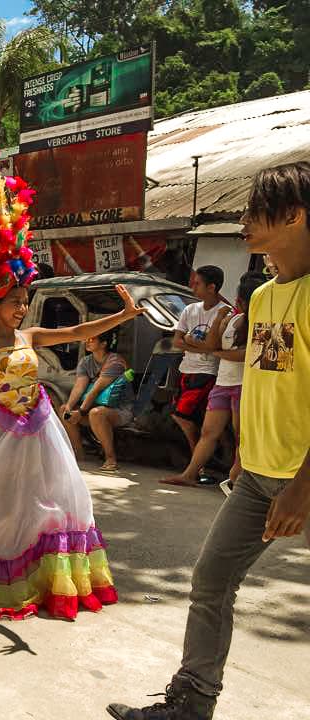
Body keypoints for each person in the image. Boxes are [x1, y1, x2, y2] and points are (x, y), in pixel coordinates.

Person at [106, 165, 310, 719]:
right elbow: (264, 383)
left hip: (302, 480)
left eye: (256, 210)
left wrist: (300, 487)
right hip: (260, 476)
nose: (243, 220)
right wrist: (247, 455)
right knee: (212, 580)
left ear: (295, 216)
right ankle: (191, 703)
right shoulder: (264, 298)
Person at [0, 144, 144, 621]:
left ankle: (42, 575)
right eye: (15, 300)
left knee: (51, 501)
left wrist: (122, 313)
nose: (22, 306)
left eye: (24, 298)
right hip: (0, 432)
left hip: (40, 428)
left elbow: (78, 332)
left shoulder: (28, 332)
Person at [162, 273, 265, 489]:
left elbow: (248, 353)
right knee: (209, 432)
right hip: (223, 383)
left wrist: (217, 352)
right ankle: (190, 474)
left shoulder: (261, 322)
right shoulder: (232, 318)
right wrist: (219, 320)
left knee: (240, 435)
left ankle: (237, 477)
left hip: (243, 384)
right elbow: (211, 344)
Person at [171, 266, 231, 456]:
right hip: (185, 370)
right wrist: (196, 344)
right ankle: (202, 458)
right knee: (196, 418)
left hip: (207, 372)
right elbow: (177, 341)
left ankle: (198, 457)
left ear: (212, 287)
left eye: (197, 284)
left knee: (181, 414)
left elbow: (214, 347)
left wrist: (190, 340)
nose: (193, 287)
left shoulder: (225, 312)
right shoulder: (190, 309)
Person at [60, 330, 135, 472]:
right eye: (87, 338)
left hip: (121, 410)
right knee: (64, 410)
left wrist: (81, 412)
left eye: (92, 339)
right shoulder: (86, 361)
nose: (87, 341)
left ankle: (111, 459)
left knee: (96, 413)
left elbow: (96, 391)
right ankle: (79, 454)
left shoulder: (115, 361)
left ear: (104, 343)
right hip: (94, 407)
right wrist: (69, 407)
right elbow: (79, 387)